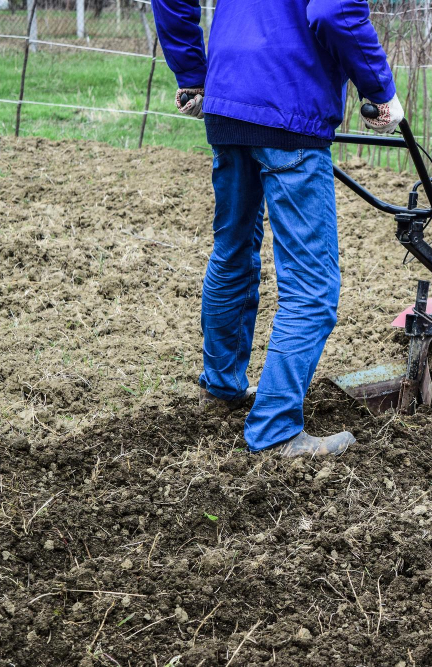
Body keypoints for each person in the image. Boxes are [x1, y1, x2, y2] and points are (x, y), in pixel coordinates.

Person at [150, 0, 403, 457]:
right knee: (312, 285)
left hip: (226, 100)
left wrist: (191, 72)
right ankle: (276, 429)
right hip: (290, 102)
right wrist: (379, 91)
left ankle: (220, 389)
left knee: (232, 250)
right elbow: (333, 12)